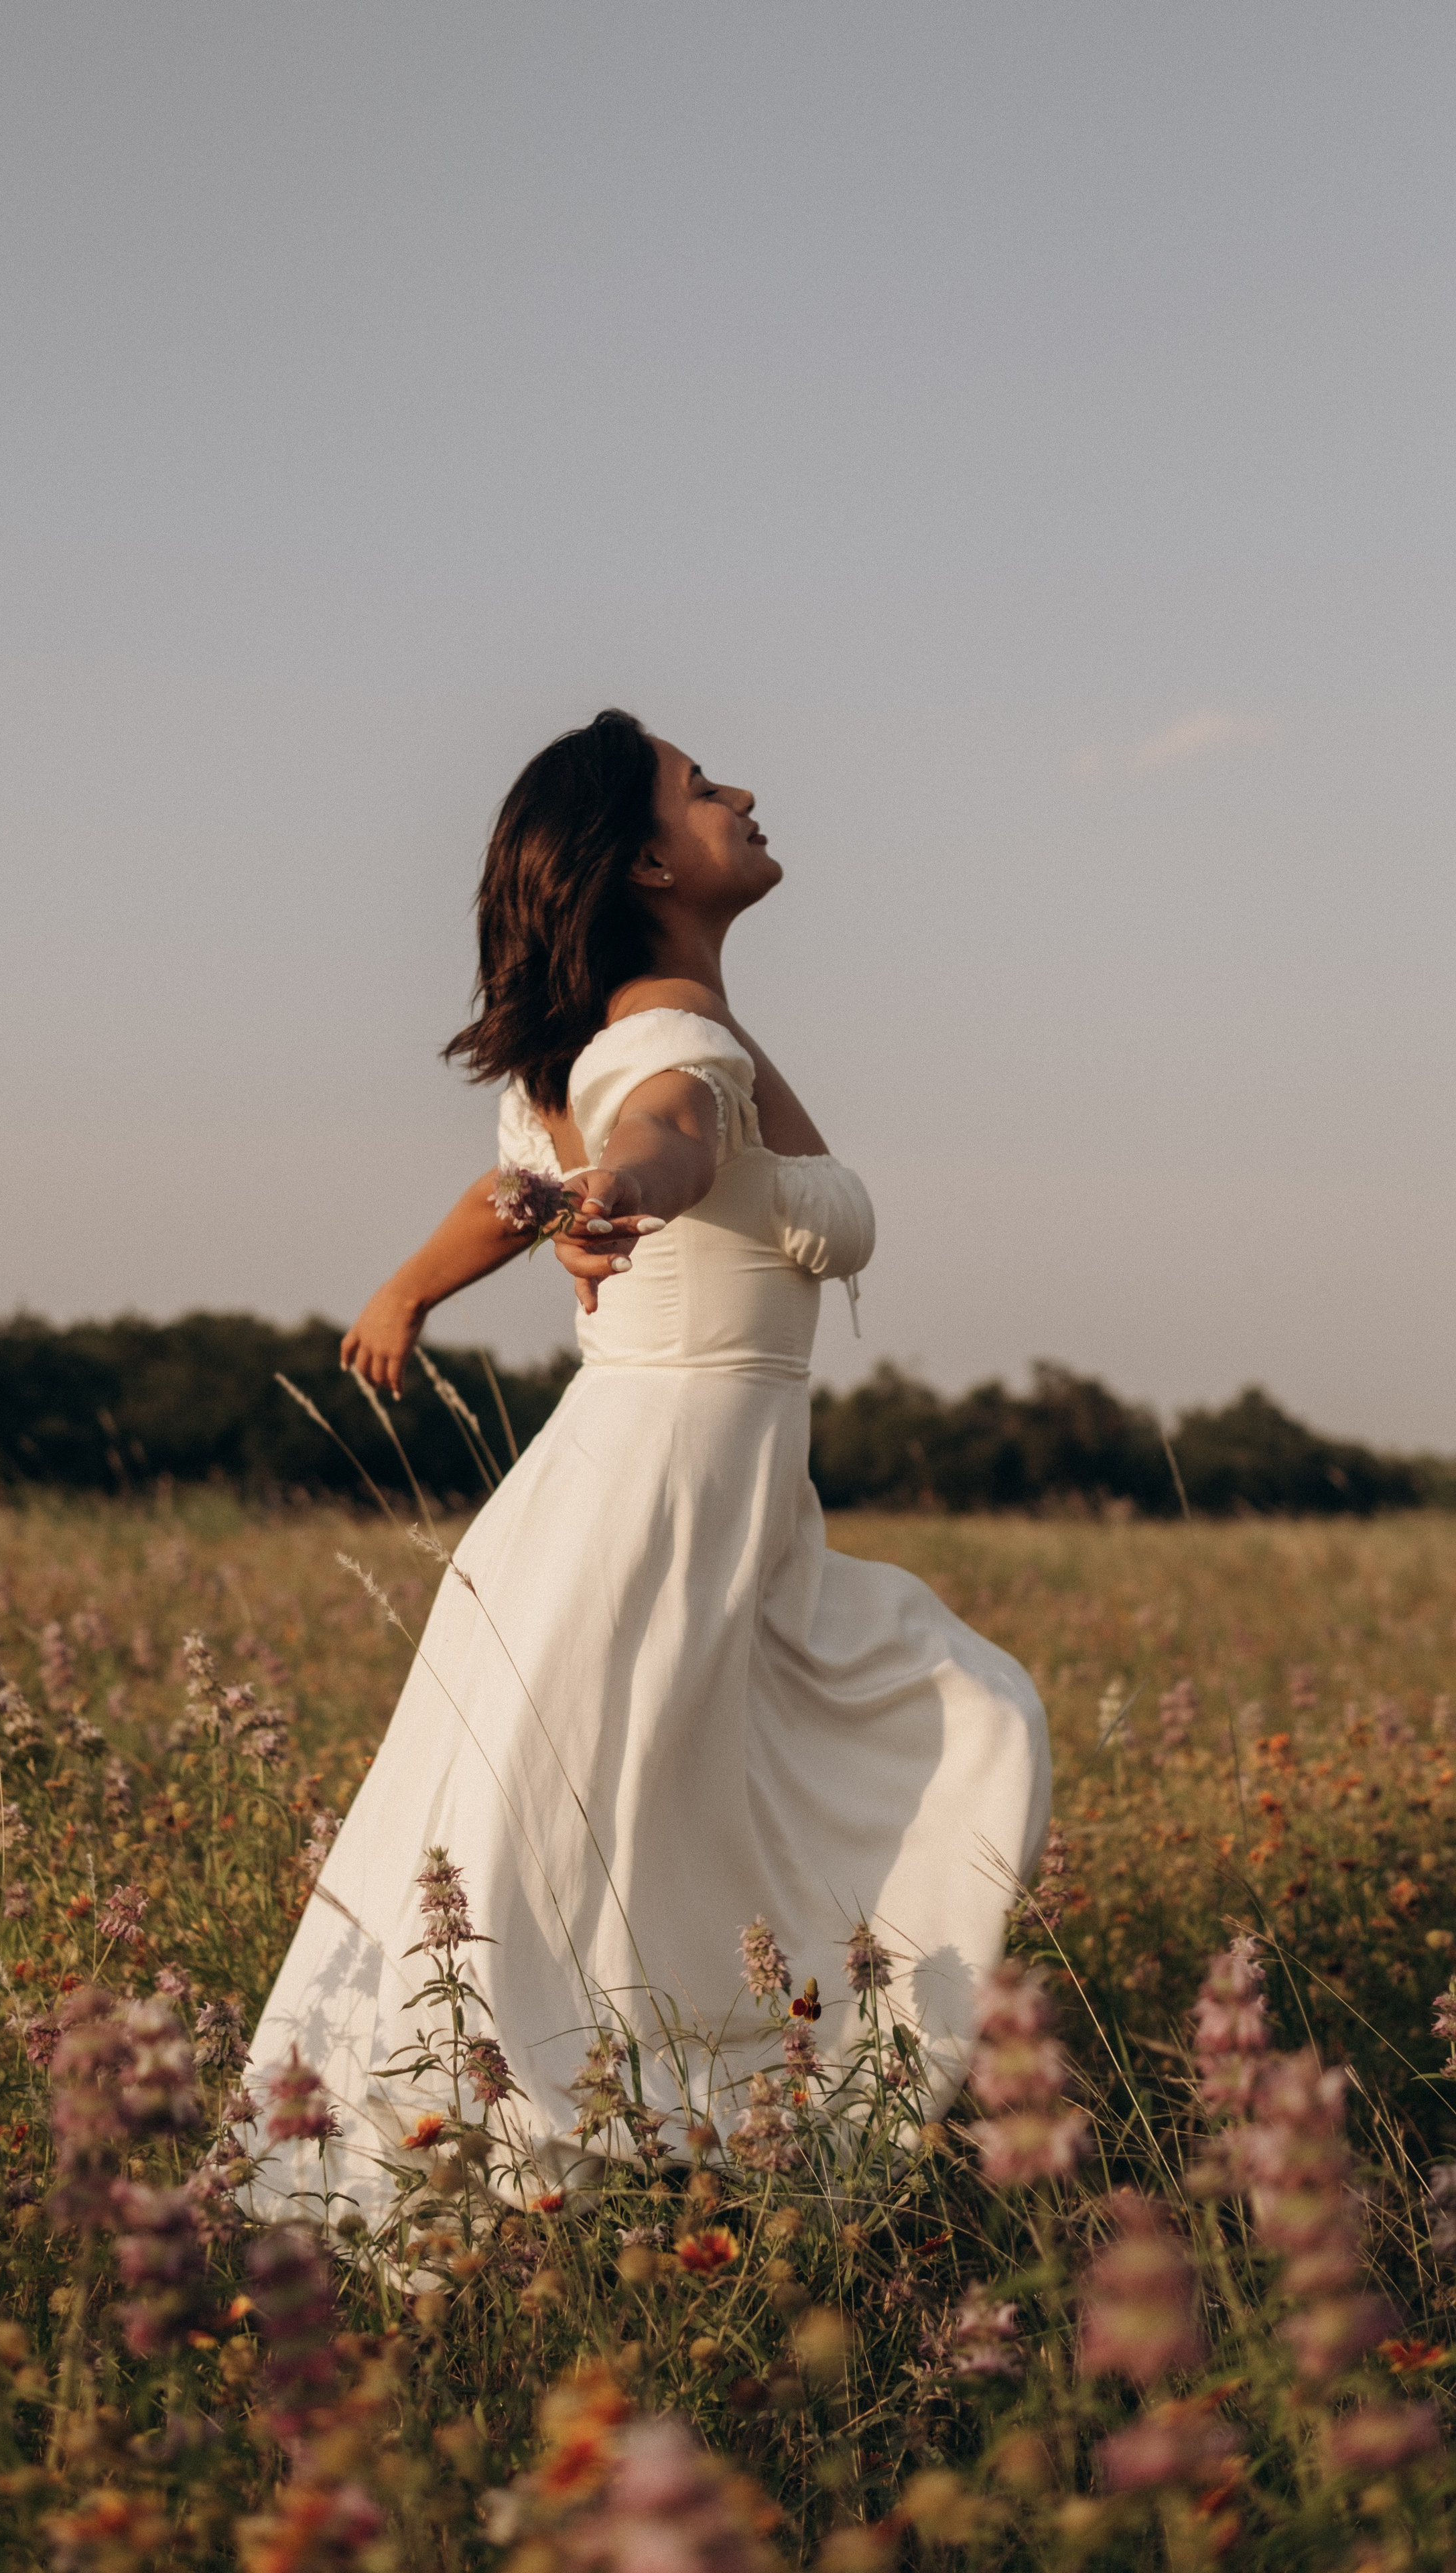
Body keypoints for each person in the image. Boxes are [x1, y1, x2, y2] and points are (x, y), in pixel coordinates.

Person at [244, 708, 1051, 2223]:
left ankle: (661, 2124)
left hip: (682, 1487)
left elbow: (519, 1187)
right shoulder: (667, 1041)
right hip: (660, 1486)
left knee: (638, 1809)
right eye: (700, 787)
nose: (740, 793)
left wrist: (420, 1283)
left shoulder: (638, 1032)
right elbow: (668, 1137)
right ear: (640, 861)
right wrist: (620, 1188)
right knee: (645, 1807)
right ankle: (594, 2140)